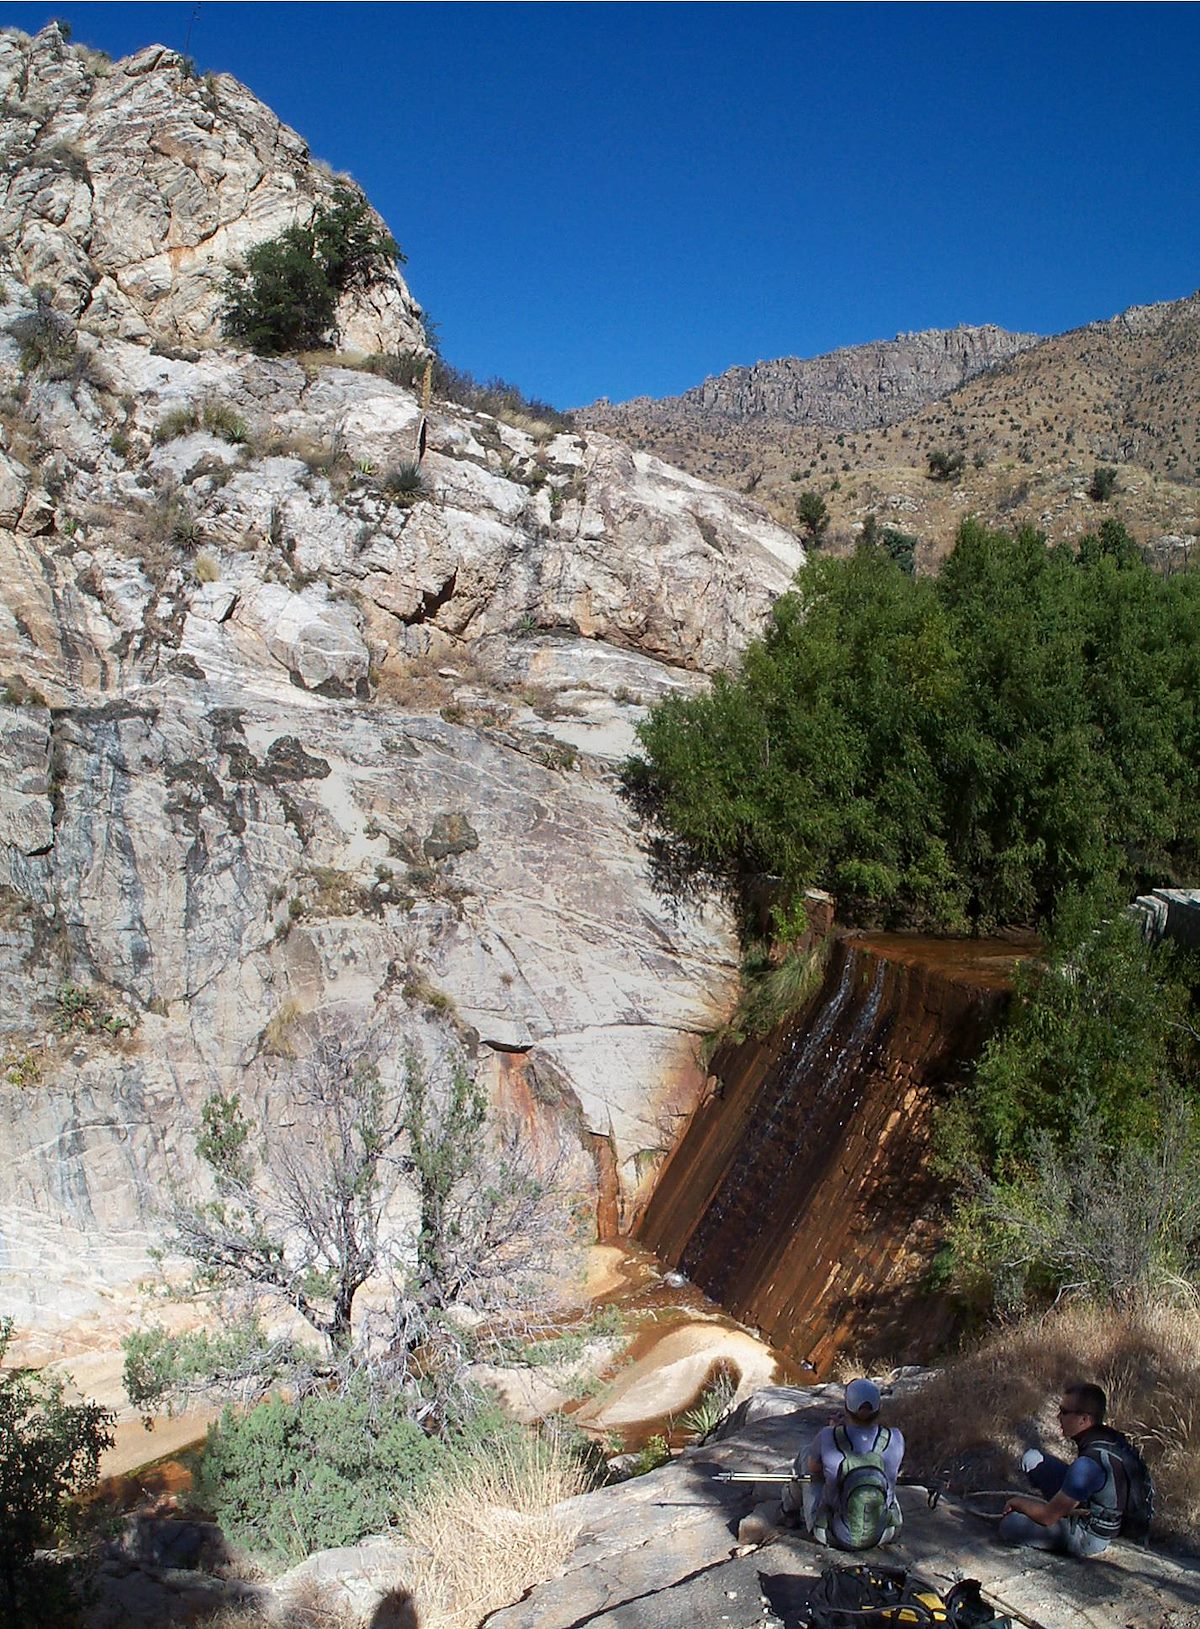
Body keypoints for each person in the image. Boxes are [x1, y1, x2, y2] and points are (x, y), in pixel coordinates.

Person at [999, 1381, 1150, 1557]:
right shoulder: (1108, 1438)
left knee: (1009, 1525)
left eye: (1064, 1412)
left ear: (1084, 1419)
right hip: (1101, 1508)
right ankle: (1065, 1507)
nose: (1058, 1417)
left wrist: (1017, 1502)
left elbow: (1047, 1517)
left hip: (1090, 1534)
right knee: (1032, 1458)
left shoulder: (1087, 1465)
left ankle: (1066, 1519)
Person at [781, 1378, 905, 1549]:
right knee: (888, 1478)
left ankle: (789, 1511)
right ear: (879, 1409)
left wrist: (833, 1431)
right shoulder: (896, 1437)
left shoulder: (827, 1436)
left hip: (832, 1534)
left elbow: (814, 1470)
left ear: (847, 1407)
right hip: (884, 1532)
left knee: (806, 1456)